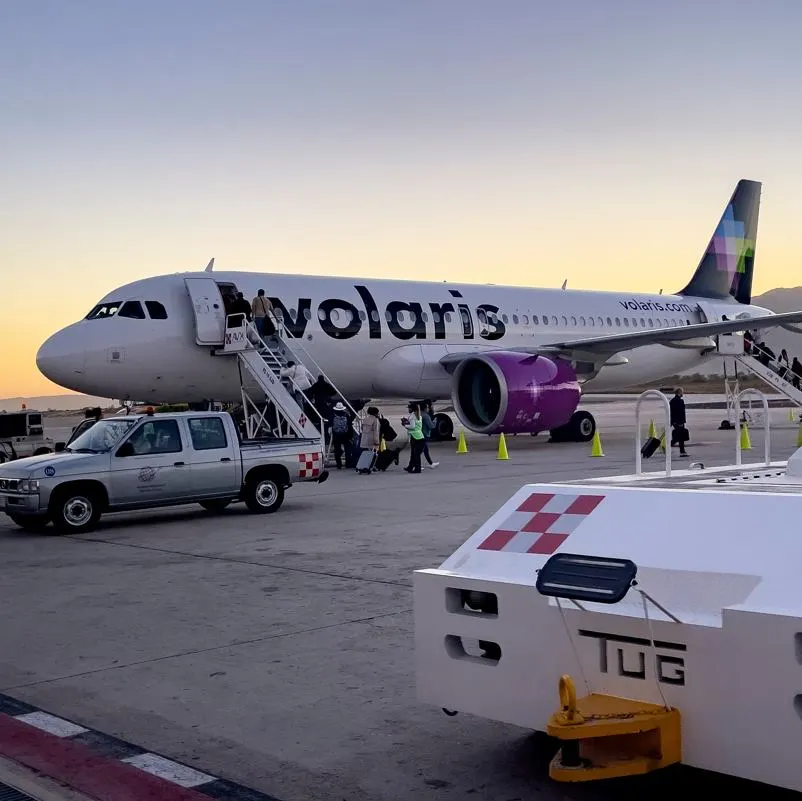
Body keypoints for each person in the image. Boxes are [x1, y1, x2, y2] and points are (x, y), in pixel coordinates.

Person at [403, 403, 425, 474]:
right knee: (414, 453)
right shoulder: (419, 415)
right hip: (420, 436)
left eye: (409, 408)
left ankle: (417, 469)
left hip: (415, 437)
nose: (408, 409)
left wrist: (405, 425)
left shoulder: (412, 416)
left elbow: (412, 426)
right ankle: (410, 467)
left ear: (412, 409)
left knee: (415, 454)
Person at [357, 407, 381, 474]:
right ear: (376, 413)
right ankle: (371, 467)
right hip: (372, 440)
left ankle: (363, 466)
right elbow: (376, 431)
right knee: (372, 455)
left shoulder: (365, 419)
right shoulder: (375, 420)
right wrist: (376, 441)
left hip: (365, 439)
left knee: (365, 454)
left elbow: (362, 428)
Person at [330, 401, 353, 469]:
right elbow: (349, 426)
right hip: (346, 435)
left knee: (337, 450)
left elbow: (330, 424)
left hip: (336, 435)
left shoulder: (333, 415)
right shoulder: (347, 415)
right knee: (347, 450)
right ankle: (348, 464)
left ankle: (339, 464)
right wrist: (351, 435)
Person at [669, 387, 689, 457]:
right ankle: (682, 451)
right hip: (679, 421)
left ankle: (670, 445)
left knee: (679, 435)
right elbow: (681, 413)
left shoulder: (672, 401)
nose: (683, 393)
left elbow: (671, 412)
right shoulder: (680, 401)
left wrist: (672, 421)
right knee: (681, 437)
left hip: (674, 421)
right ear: (679, 392)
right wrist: (681, 422)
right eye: (682, 392)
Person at [420, 402, 439, 469]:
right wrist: (435, 421)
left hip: (419, 434)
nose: (428, 409)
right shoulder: (425, 416)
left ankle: (431, 463)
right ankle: (416, 464)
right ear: (425, 408)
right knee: (420, 451)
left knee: (425, 450)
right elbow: (431, 426)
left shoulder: (419, 415)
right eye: (427, 407)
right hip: (424, 434)